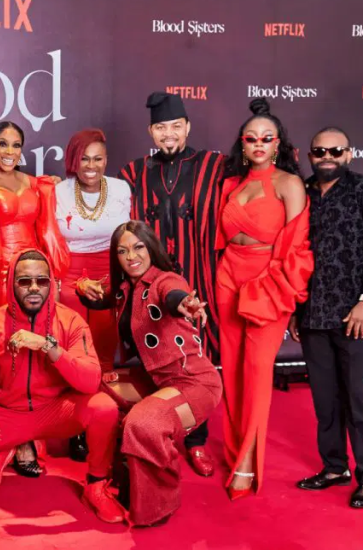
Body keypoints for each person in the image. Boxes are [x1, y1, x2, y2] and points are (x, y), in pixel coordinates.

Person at [0, 250, 127, 524]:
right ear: (11, 284)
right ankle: (6, 449)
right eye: (25, 281)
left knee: (103, 407)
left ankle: (96, 486)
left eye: (42, 280)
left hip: (57, 410)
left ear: (51, 283)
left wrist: (47, 346)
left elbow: (90, 381)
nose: (34, 288)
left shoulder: (70, 321)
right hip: (9, 413)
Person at [78, 221, 222, 526]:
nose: (131, 256)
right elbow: (99, 298)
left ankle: (156, 506)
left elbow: (174, 295)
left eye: (138, 247)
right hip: (155, 380)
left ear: (151, 248)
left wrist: (185, 303)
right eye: (123, 251)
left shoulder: (164, 280)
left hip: (193, 383)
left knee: (143, 424)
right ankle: (119, 475)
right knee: (95, 386)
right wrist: (82, 287)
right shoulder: (124, 289)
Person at [292, 127, 363, 509]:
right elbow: (293, 253)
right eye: (319, 151)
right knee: (325, 399)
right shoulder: (301, 193)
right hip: (312, 316)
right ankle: (335, 467)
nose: (327, 156)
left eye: (335, 151)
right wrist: (296, 309)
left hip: (355, 315)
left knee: (358, 398)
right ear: (310, 155)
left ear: (349, 154)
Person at [0, 121, 71, 476]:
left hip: (33, 273)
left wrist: (52, 277)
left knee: (36, 350)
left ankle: (29, 434)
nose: (9, 151)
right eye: (2, 143)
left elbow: (44, 229)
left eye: (16, 144)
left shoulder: (35, 184)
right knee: (8, 354)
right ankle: (15, 439)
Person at [120, 92, 225, 477]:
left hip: (196, 282)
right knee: (157, 358)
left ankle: (196, 441)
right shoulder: (133, 173)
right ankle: (158, 430)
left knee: (195, 363)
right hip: (148, 285)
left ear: (188, 127)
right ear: (151, 131)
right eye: (161, 128)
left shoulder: (213, 166)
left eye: (176, 127)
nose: (169, 134)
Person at [216, 98, 313, 499]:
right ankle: (235, 446)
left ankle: (247, 462)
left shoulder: (290, 184)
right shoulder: (229, 184)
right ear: (242, 144)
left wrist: (282, 291)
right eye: (251, 138)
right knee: (232, 369)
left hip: (267, 281)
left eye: (266, 138)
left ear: (278, 144)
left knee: (257, 372)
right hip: (228, 276)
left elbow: (297, 246)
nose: (258, 144)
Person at [54, 128, 131, 460]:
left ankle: (103, 421)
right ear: (74, 160)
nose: (91, 166)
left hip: (109, 272)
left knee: (103, 351)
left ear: (106, 160)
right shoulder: (58, 191)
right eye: (84, 158)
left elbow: (129, 235)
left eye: (98, 158)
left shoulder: (120, 188)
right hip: (69, 271)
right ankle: (76, 426)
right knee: (75, 350)